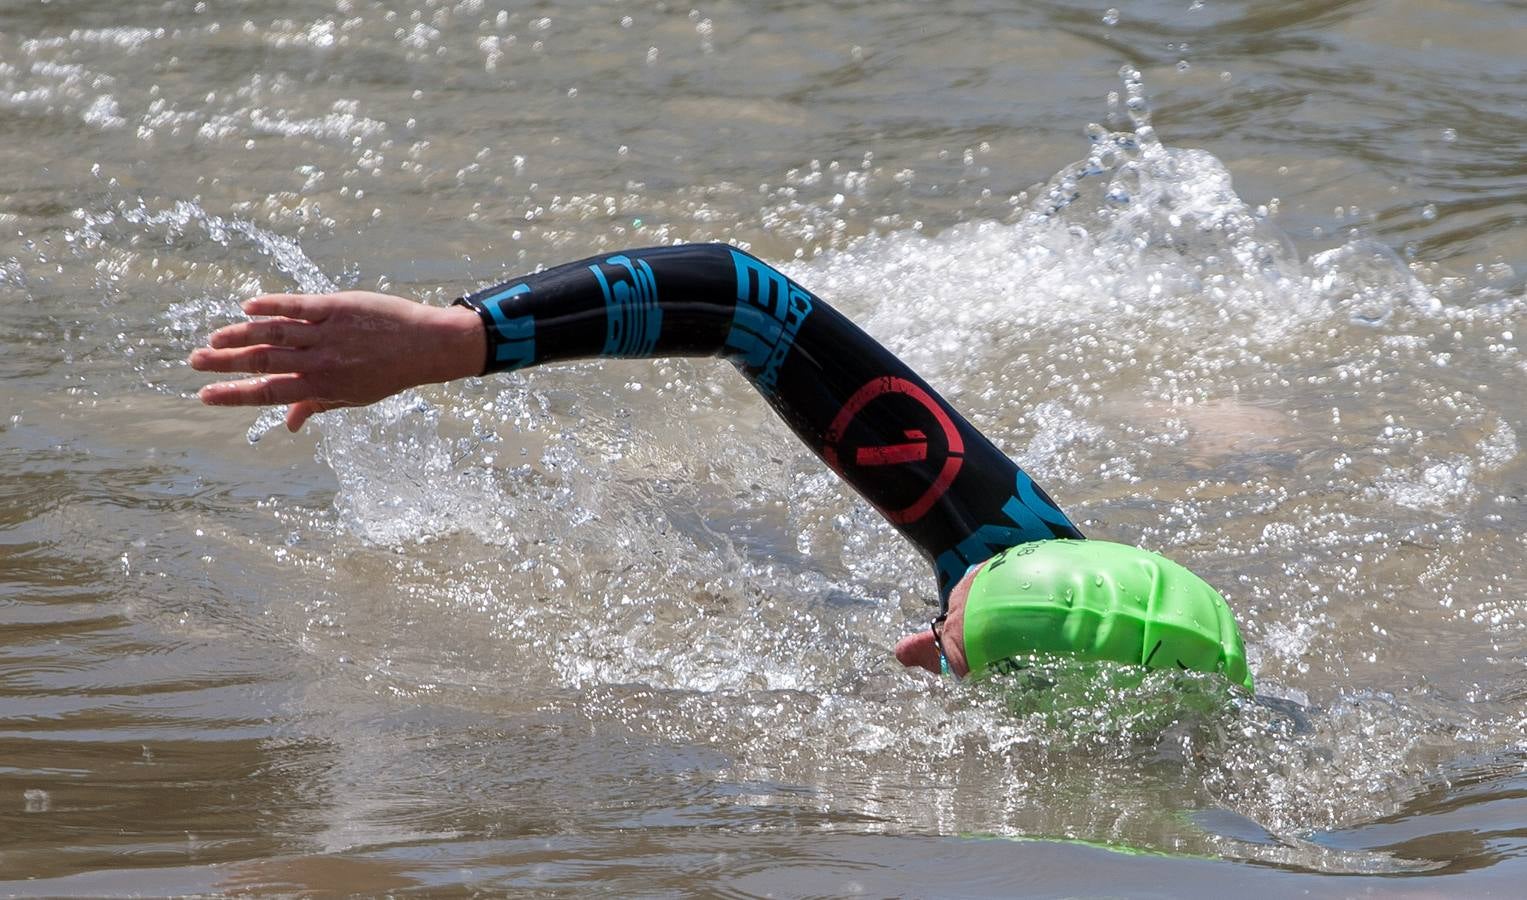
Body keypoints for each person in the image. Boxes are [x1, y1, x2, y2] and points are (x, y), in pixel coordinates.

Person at [190, 242, 1252, 689]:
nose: (910, 651)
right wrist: (460, 337)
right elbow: (744, 299)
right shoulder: (1024, 548)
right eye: (946, 626)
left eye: (947, 647)